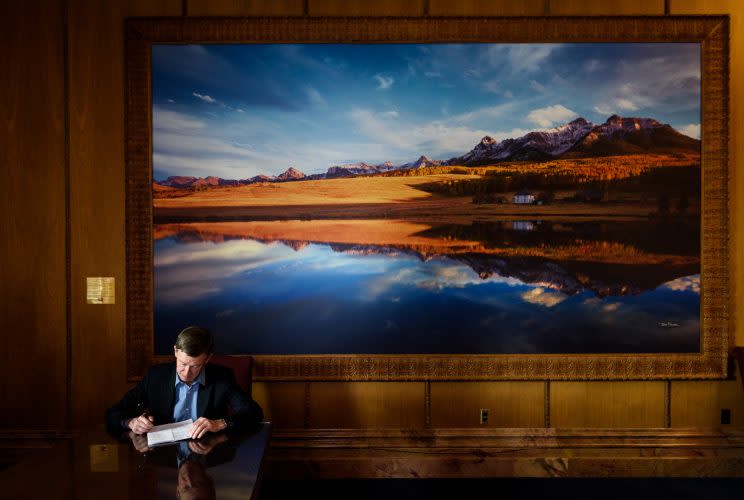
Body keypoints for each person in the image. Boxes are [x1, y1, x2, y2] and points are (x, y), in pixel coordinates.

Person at [106, 326, 263, 438]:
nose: (187, 373)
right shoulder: (156, 376)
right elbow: (113, 413)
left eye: (195, 366)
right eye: (182, 364)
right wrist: (130, 422)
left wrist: (219, 423)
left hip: (208, 453)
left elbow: (254, 413)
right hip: (165, 458)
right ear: (175, 351)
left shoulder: (222, 377)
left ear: (207, 359)